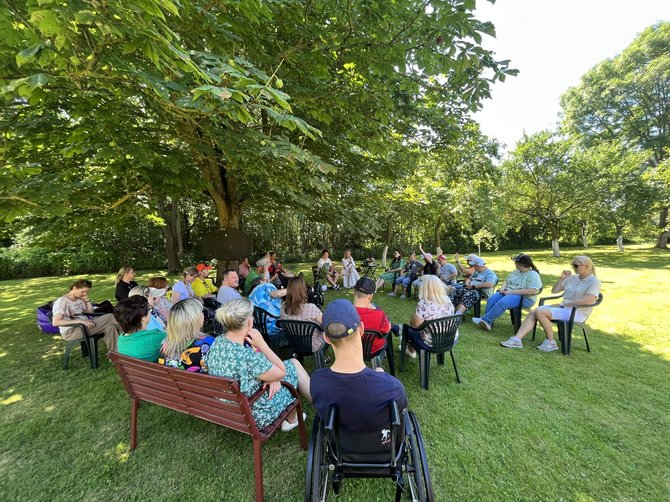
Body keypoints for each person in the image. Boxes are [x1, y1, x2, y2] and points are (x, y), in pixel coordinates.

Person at [207, 298, 312, 431]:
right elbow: (282, 371)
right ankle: (317, 407)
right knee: (293, 364)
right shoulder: (247, 357)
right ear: (249, 321)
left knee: (283, 372)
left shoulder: (218, 342)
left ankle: (293, 417)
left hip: (230, 409)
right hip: (256, 414)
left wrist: (272, 378)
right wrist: (262, 344)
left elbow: (250, 369)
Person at [310, 299, 408, 432]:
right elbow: (401, 411)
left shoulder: (317, 382)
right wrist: (379, 373)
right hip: (383, 447)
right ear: (361, 329)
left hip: (341, 449)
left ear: (326, 338)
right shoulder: (391, 386)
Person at [501, 255, 601, 352]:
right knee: (534, 312)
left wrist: (565, 305)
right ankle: (517, 340)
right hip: (564, 308)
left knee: (540, 312)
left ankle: (551, 342)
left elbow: (588, 300)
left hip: (577, 312)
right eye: (572, 265)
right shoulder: (573, 278)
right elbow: (555, 290)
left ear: (586, 266)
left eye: (576, 266)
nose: (573, 268)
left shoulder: (594, 282)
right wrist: (562, 278)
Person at [473, 254, 542, 331]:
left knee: (503, 303)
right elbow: (506, 281)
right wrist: (503, 288)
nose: (515, 264)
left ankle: (485, 320)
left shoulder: (533, 274)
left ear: (522, 264)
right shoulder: (516, 271)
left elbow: (532, 290)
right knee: (492, 299)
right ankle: (488, 322)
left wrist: (511, 292)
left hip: (525, 298)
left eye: (516, 263)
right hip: (508, 293)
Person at [52, 279, 120, 354]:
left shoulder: (79, 299)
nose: (85, 294)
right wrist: (81, 321)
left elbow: (90, 312)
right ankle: (131, 337)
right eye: (83, 292)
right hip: (71, 331)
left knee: (110, 328)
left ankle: (115, 354)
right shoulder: (62, 302)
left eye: (87, 292)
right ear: (74, 288)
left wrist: (87, 300)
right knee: (110, 317)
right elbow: (56, 322)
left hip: (84, 326)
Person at [403, 275, 457, 358]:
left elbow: (415, 326)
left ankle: (411, 351)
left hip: (431, 344)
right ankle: (411, 349)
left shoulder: (424, 304)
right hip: (450, 339)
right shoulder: (447, 300)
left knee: (408, 330)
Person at [158, 298, 215, 372]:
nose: (202, 314)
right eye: (200, 312)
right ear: (193, 319)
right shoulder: (208, 344)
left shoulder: (166, 345)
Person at [352, 278, 397, 355]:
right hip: (373, 350)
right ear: (370, 297)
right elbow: (386, 330)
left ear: (353, 292)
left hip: (351, 348)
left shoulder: (343, 311)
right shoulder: (379, 315)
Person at [280, 276, 325, 352]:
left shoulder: (282, 308)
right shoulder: (311, 308)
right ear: (303, 290)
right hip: (313, 345)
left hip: (294, 343)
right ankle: (321, 357)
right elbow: (326, 324)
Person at [114, 296, 165, 362]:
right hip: (156, 371)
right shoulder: (156, 337)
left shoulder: (121, 339)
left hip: (134, 372)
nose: (150, 312)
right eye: (149, 310)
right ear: (143, 318)